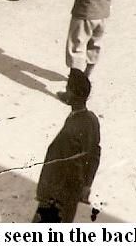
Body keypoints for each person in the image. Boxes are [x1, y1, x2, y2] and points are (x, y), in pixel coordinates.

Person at [33, 69, 101, 223]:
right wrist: (87, 184)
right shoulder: (91, 119)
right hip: (73, 192)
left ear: (73, 94)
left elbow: (57, 161)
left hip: (58, 193)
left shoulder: (74, 125)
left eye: (67, 90)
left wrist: (44, 193)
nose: (66, 93)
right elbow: (95, 153)